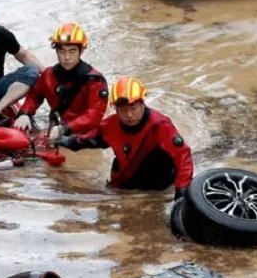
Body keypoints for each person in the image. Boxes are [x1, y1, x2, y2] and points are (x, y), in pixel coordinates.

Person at [56, 76, 193, 198]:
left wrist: (181, 190)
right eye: (123, 110)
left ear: (142, 104)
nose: (129, 115)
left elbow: (182, 156)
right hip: (126, 184)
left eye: (133, 108)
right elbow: (86, 140)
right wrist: (64, 141)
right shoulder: (110, 125)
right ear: (116, 109)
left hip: (159, 182)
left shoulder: (160, 125)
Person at [13, 23, 108, 139]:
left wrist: (65, 128)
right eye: (62, 51)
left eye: (72, 51)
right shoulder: (48, 75)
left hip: (83, 135)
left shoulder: (95, 81)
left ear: (81, 51)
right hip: (56, 128)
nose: (67, 57)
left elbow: (94, 115)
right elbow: (34, 96)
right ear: (56, 52)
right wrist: (24, 113)